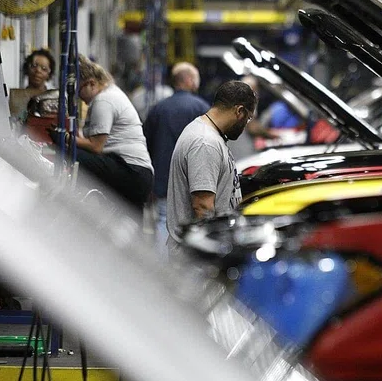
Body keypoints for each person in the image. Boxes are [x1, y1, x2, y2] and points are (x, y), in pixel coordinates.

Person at [58, 56, 154, 218]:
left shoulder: (104, 100)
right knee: (130, 222)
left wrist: (64, 138)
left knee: (71, 154)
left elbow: (96, 146)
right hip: (139, 174)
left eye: (79, 90)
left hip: (130, 171)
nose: (79, 97)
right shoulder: (111, 93)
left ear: (91, 84)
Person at [165, 80, 257, 249]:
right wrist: (214, 251)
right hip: (194, 254)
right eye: (248, 118)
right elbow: (202, 206)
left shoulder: (209, 135)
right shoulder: (205, 143)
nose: (246, 125)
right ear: (239, 111)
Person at [143, 63, 210, 249]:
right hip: (195, 181)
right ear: (189, 80)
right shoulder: (202, 108)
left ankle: (162, 265)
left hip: (164, 181)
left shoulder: (158, 109)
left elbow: (146, 144)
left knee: (164, 221)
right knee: (196, 226)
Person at [9, 48, 56, 121]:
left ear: (49, 74)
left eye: (44, 68)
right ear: (27, 68)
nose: (38, 70)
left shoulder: (54, 98)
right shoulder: (15, 96)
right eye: (34, 66)